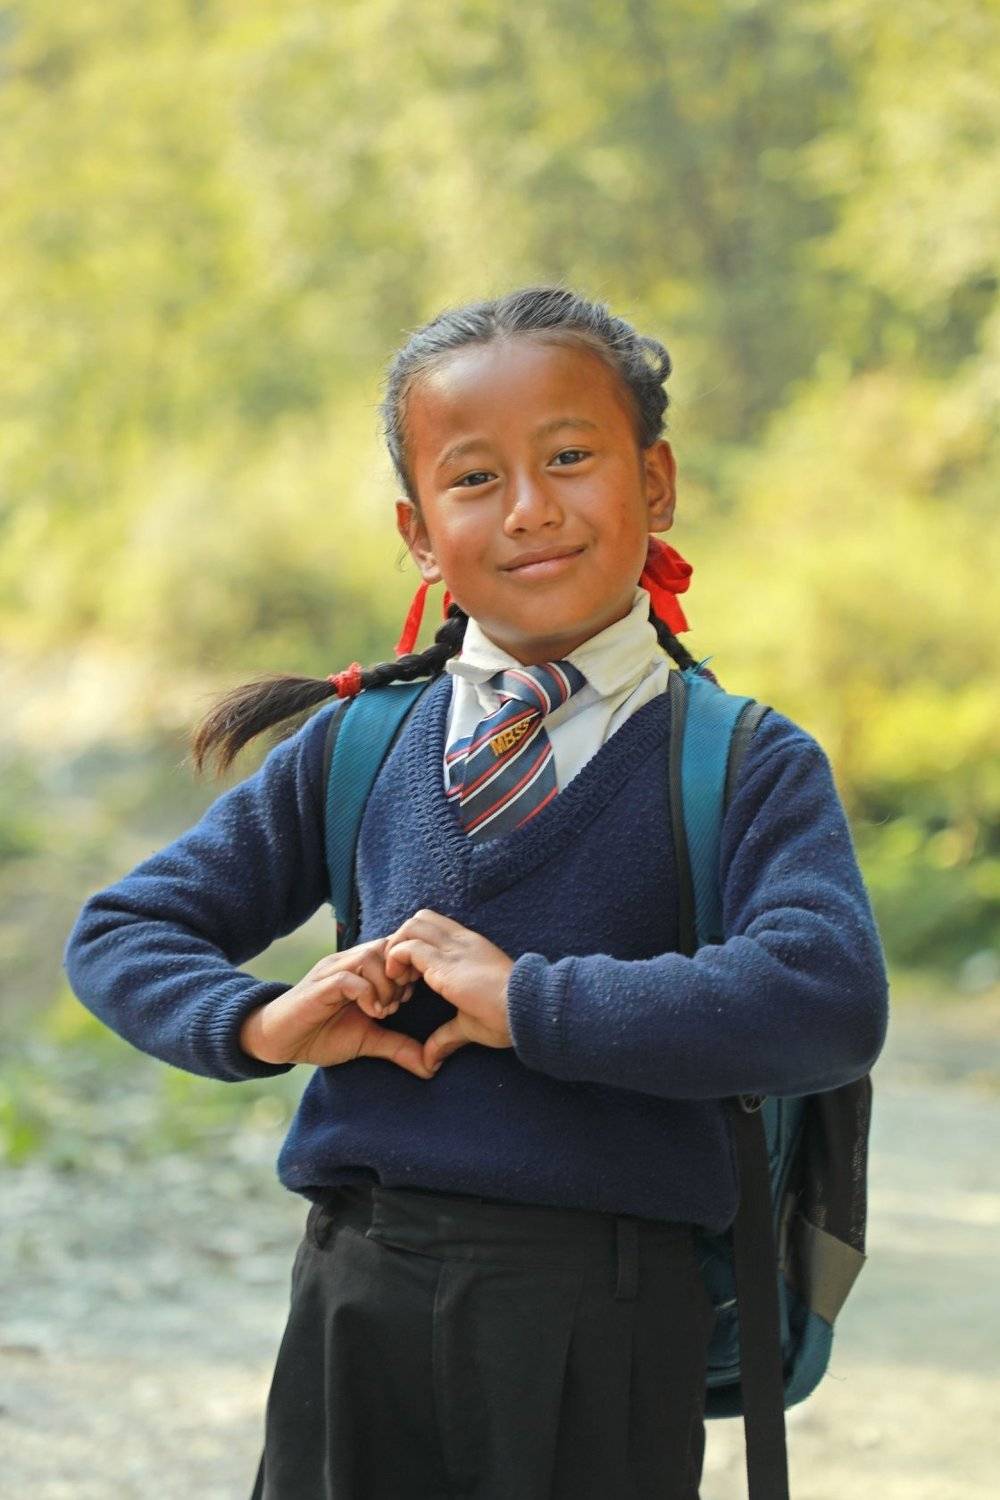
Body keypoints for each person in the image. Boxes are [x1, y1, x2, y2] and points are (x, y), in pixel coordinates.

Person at [63, 284, 889, 1500]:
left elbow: (826, 998)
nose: (529, 508)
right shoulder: (358, 745)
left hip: (613, 1315)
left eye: (569, 458)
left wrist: (531, 1003)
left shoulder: (741, 763)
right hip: (359, 1290)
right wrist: (260, 1021)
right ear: (417, 531)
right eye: (473, 478)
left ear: (656, 483)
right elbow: (125, 927)